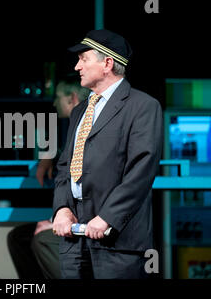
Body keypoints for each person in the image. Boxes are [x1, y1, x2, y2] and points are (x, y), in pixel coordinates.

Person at [52, 29, 163, 279]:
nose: (77, 66)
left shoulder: (142, 107)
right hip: (75, 239)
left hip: (118, 241)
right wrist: (61, 208)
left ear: (107, 63)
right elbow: (64, 166)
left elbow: (141, 171)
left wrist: (107, 217)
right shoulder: (81, 110)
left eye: (84, 59)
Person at [7, 80, 90, 279]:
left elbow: (87, 188)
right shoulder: (73, 129)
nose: (54, 103)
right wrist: (48, 157)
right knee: (19, 237)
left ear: (72, 99)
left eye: (58, 97)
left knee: (40, 239)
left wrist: (55, 221)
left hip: (89, 220)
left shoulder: (89, 130)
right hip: (74, 216)